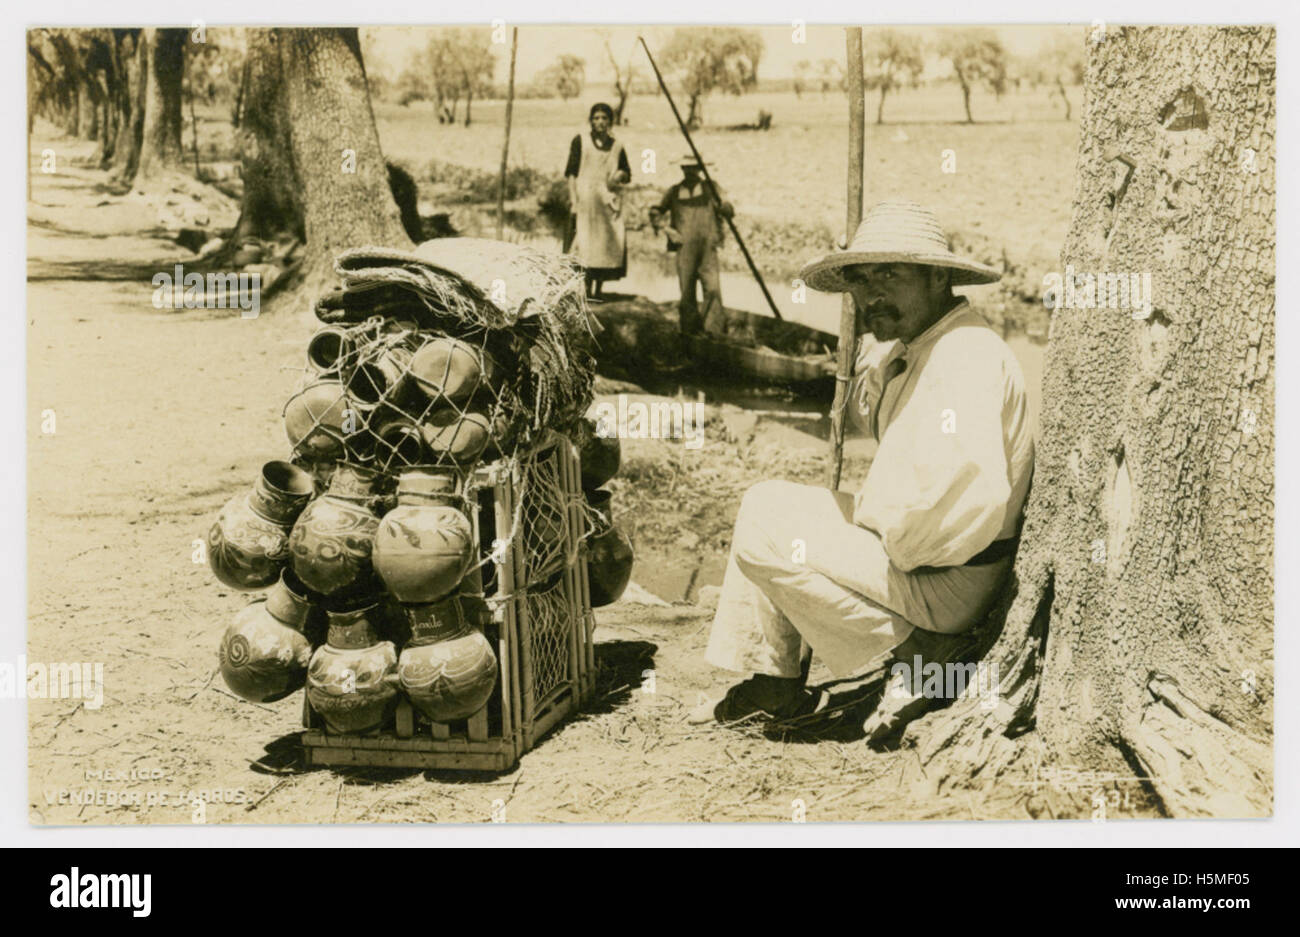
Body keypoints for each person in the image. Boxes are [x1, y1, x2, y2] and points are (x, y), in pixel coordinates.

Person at [690, 200, 1035, 723]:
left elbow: (965, 502)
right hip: (921, 554)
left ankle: (920, 652)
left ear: (937, 278)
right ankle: (774, 681)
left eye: (891, 275)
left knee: (767, 537)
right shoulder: (922, 345)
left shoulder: (965, 358)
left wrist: (881, 539)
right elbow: (882, 429)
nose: (872, 294)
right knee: (765, 501)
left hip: (946, 574)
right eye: (862, 279)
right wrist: (881, 366)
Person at [649, 156, 734, 335]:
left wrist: (725, 208)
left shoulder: (712, 188)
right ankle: (690, 334)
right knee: (687, 292)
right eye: (687, 168)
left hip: (707, 249)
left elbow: (727, 207)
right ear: (682, 169)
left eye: (694, 168)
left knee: (712, 289)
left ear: (700, 169)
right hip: (684, 248)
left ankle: (714, 332)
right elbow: (656, 211)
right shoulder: (674, 191)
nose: (691, 172)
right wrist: (667, 229)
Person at [564, 102, 630, 302]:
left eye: (604, 118)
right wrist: (573, 199)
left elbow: (627, 172)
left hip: (606, 201)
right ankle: (585, 290)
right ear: (591, 121)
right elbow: (571, 173)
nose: (600, 122)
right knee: (583, 245)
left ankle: (599, 290)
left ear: (610, 121)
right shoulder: (581, 141)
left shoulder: (617, 145)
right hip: (585, 200)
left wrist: (619, 175)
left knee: (605, 244)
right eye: (596, 118)